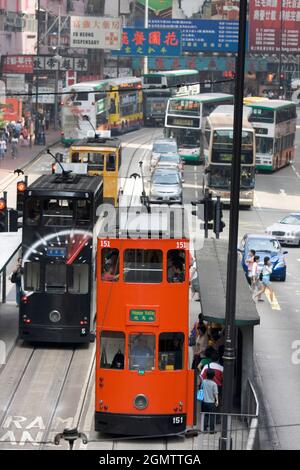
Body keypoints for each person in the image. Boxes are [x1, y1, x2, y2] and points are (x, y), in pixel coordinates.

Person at [200, 368, 219, 433]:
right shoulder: (214, 384)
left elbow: (201, 390)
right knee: (212, 416)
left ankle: (204, 429)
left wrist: (200, 398)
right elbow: (215, 393)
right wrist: (217, 401)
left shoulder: (203, 382)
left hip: (204, 402)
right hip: (211, 403)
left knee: (205, 415)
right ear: (213, 376)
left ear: (206, 375)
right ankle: (212, 430)